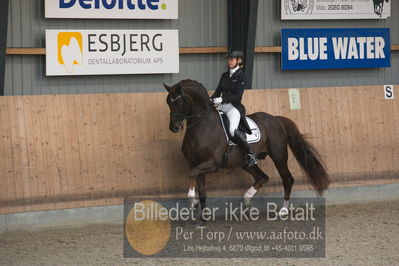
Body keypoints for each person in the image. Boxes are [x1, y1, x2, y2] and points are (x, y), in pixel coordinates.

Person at [210, 50, 257, 167]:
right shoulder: (224, 75)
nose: (229, 61)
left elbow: (238, 95)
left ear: (239, 61)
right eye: (228, 59)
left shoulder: (242, 76)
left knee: (232, 130)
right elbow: (217, 92)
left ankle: (250, 154)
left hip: (234, 107)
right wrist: (210, 100)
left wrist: (222, 99)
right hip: (222, 106)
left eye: (232, 59)